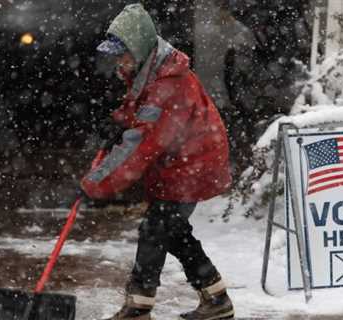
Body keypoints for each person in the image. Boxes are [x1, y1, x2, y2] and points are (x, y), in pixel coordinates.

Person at [80, 4, 234, 320]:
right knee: (172, 230)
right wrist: (120, 122)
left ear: (137, 48)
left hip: (192, 164)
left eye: (122, 53)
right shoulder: (152, 69)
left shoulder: (169, 83)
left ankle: (139, 307)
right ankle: (217, 299)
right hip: (179, 162)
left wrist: (95, 185)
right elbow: (141, 113)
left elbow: (141, 147)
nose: (118, 61)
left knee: (155, 229)